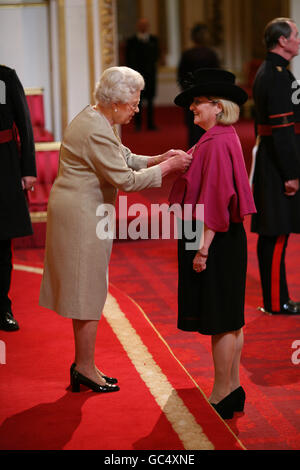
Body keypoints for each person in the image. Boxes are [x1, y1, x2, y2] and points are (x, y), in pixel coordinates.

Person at [39, 66, 192, 393]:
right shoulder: (96, 128)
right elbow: (124, 180)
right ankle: (84, 367)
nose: (137, 109)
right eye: (134, 104)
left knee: (88, 289)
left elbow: (123, 156)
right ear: (114, 102)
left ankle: (84, 365)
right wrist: (168, 168)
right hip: (81, 214)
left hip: (86, 209)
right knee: (87, 291)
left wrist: (156, 158)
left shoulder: (97, 119)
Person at [169, 68, 256, 419]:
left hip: (212, 237)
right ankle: (232, 387)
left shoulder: (217, 141)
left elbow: (218, 199)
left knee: (221, 319)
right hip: (225, 236)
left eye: (197, 103)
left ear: (217, 106)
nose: (192, 108)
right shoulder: (222, 135)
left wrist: (203, 249)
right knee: (231, 318)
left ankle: (223, 391)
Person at [251, 18, 300, 315]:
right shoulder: (277, 75)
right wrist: (292, 174)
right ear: (282, 41)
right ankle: (275, 301)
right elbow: (283, 130)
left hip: (271, 161)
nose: (298, 40)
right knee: (276, 233)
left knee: (275, 233)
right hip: (277, 165)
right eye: (295, 35)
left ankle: (277, 298)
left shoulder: (275, 71)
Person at [0, 65, 36, 332]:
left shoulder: (5, 77)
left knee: (2, 243)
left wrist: (29, 170)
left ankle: (3, 308)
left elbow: (24, 123)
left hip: (4, 165)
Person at [177, 23, 221, 147]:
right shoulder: (211, 54)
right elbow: (217, 76)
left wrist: (188, 93)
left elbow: (181, 77)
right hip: (207, 97)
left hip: (193, 96)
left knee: (194, 128)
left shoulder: (188, 54)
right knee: (206, 127)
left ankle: (195, 154)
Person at [125, 18, 159, 131]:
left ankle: (150, 123)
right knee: (136, 101)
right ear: (138, 27)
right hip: (136, 76)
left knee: (150, 100)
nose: (143, 27)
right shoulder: (131, 41)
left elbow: (157, 56)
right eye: (141, 25)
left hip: (150, 75)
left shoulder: (154, 40)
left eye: (145, 25)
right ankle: (138, 124)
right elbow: (128, 58)